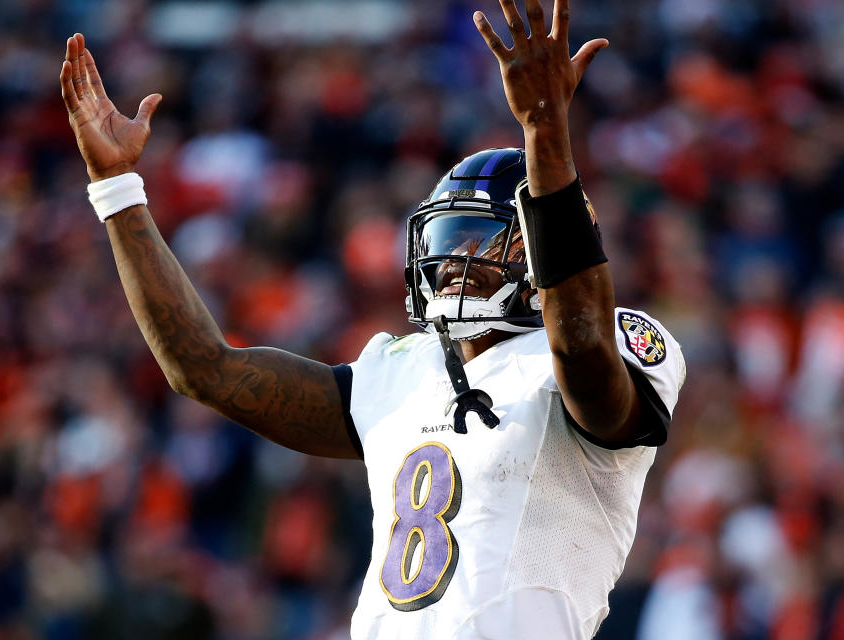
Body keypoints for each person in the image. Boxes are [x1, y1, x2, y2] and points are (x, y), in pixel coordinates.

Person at [59, 0, 686, 637]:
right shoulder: (400, 370)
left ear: (539, 245)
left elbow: (579, 347)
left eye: (479, 238)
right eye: (449, 236)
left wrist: (545, 132)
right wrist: (117, 190)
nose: (453, 259)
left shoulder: (615, 343)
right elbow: (206, 369)